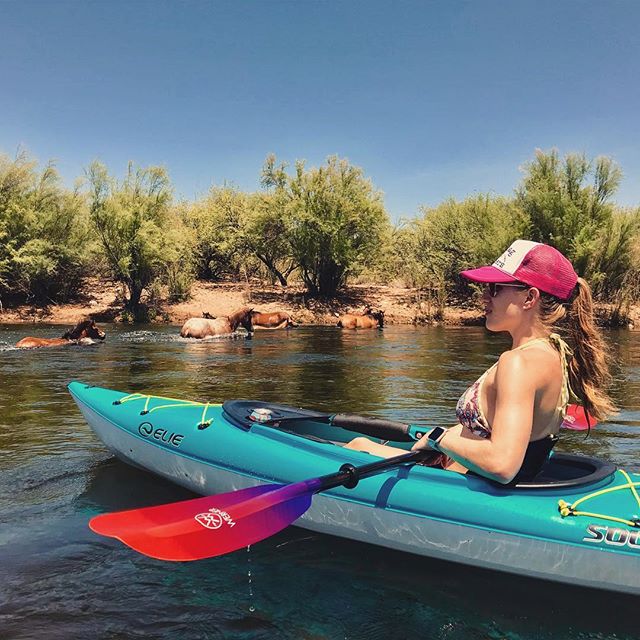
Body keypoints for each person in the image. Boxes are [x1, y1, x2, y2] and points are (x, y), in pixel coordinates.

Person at [345, 239, 616, 484]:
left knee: (357, 445)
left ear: (530, 297)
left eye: (495, 288)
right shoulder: (556, 353)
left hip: (464, 488)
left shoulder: (517, 363)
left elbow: (502, 464)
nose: (484, 296)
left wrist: (439, 437)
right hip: (471, 473)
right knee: (361, 442)